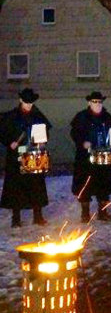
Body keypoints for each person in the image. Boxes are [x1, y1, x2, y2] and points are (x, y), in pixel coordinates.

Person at [0, 88, 52, 227]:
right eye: (26, 102)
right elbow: (3, 132)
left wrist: (42, 141)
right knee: (16, 186)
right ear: (21, 100)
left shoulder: (38, 116)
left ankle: (38, 216)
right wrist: (9, 142)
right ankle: (16, 218)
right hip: (16, 156)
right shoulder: (11, 116)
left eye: (31, 103)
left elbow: (45, 131)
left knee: (36, 185)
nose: (29, 105)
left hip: (34, 154)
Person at [70, 91, 111, 222]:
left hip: (104, 157)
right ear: (89, 103)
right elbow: (74, 133)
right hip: (86, 158)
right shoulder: (81, 117)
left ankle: (102, 212)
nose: (97, 104)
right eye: (95, 102)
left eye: (99, 102)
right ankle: (85, 213)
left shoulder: (107, 117)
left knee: (104, 184)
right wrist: (82, 142)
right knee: (85, 184)